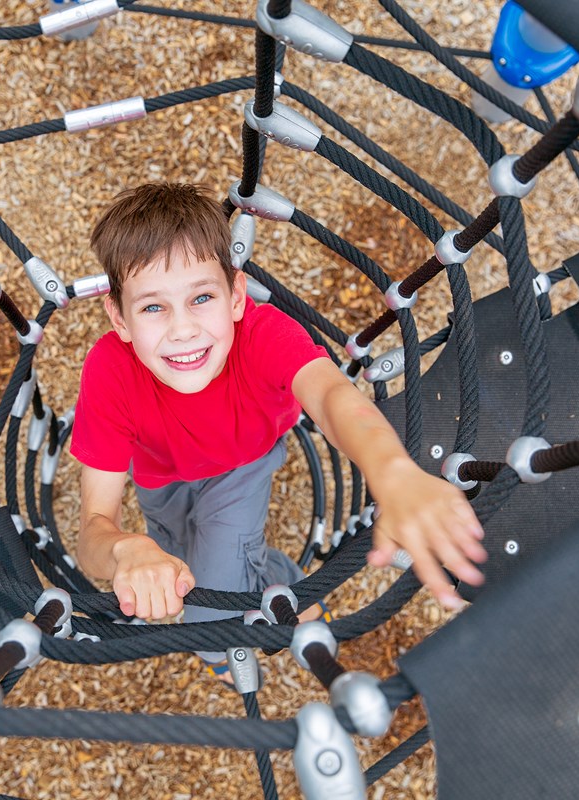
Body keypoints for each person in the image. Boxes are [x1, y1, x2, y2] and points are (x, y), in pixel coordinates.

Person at [70, 182, 485, 674]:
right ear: (119, 318)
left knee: (208, 619)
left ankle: (226, 651)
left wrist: (391, 469)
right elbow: (93, 528)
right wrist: (126, 548)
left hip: (241, 467)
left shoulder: (264, 334)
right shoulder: (110, 369)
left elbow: (332, 398)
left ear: (236, 297)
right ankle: (276, 574)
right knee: (176, 556)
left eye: (201, 297)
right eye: (153, 307)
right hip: (160, 478)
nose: (182, 329)